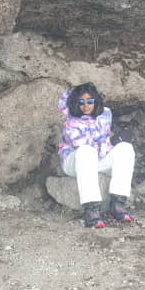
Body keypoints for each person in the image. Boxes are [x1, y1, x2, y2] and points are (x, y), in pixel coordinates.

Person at [57, 82, 136, 228]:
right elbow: (81, 145)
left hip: (97, 158)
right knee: (87, 151)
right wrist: (111, 142)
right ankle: (91, 210)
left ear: (95, 101)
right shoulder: (71, 121)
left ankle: (117, 205)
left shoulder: (105, 114)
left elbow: (103, 143)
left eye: (90, 101)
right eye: (81, 102)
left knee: (125, 148)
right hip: (75, 160)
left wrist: (115, 142)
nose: (86, 106)